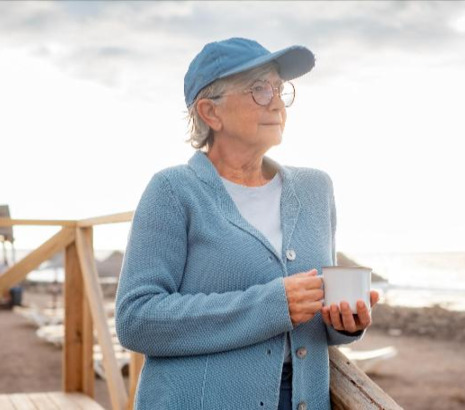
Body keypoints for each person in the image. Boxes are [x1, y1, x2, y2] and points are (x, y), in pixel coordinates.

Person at [115, 38, 381, 410]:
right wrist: (272, 304)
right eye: (258, 89)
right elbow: (136, 320)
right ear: (210, 112)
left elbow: (310, 320)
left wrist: (343, 323)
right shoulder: (172, 191)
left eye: (279, 88)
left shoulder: (316, 189)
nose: (275, 101)